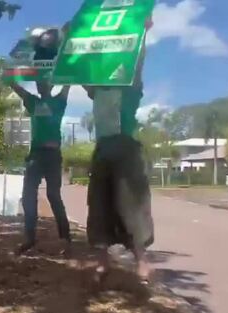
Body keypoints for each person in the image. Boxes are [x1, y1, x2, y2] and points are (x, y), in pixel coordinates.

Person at [83, 40, 154, 284]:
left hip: (127, 148)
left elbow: (138, 60)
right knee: (99, 206)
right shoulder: (96, 88)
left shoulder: (130, 85)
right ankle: (103, 261)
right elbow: (78, 67)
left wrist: (142, 32)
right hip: (103, 148)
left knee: (133, 208)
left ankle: (142, 261)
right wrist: (69, 41)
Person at [9, 80, 72, 256]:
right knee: (28, 195)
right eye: (38, 82)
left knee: (53, 195)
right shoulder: (33, 101)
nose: (40, 85)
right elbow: (17, 88)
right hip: (36, 155)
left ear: (51, 85)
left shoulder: (59, 101)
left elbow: (69, 81)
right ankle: (29, 238)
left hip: (52, 155)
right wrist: (8, 76)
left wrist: (73, 68)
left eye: (44, 82)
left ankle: (65, 237)